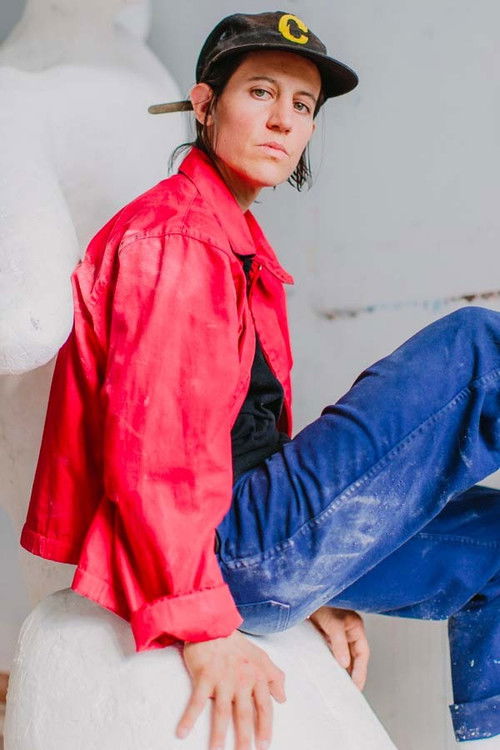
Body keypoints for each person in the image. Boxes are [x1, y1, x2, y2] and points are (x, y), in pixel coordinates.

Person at [20, 10, 499, 750]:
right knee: (480, 348)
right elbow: (154, 451)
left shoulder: (233, 243)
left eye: (302, 105)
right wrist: (198, 621)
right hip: (225, 549)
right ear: (205, 104)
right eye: (261, 93)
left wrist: (318, 580)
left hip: (253, 544)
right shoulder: (176, 236)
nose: (283, 120)